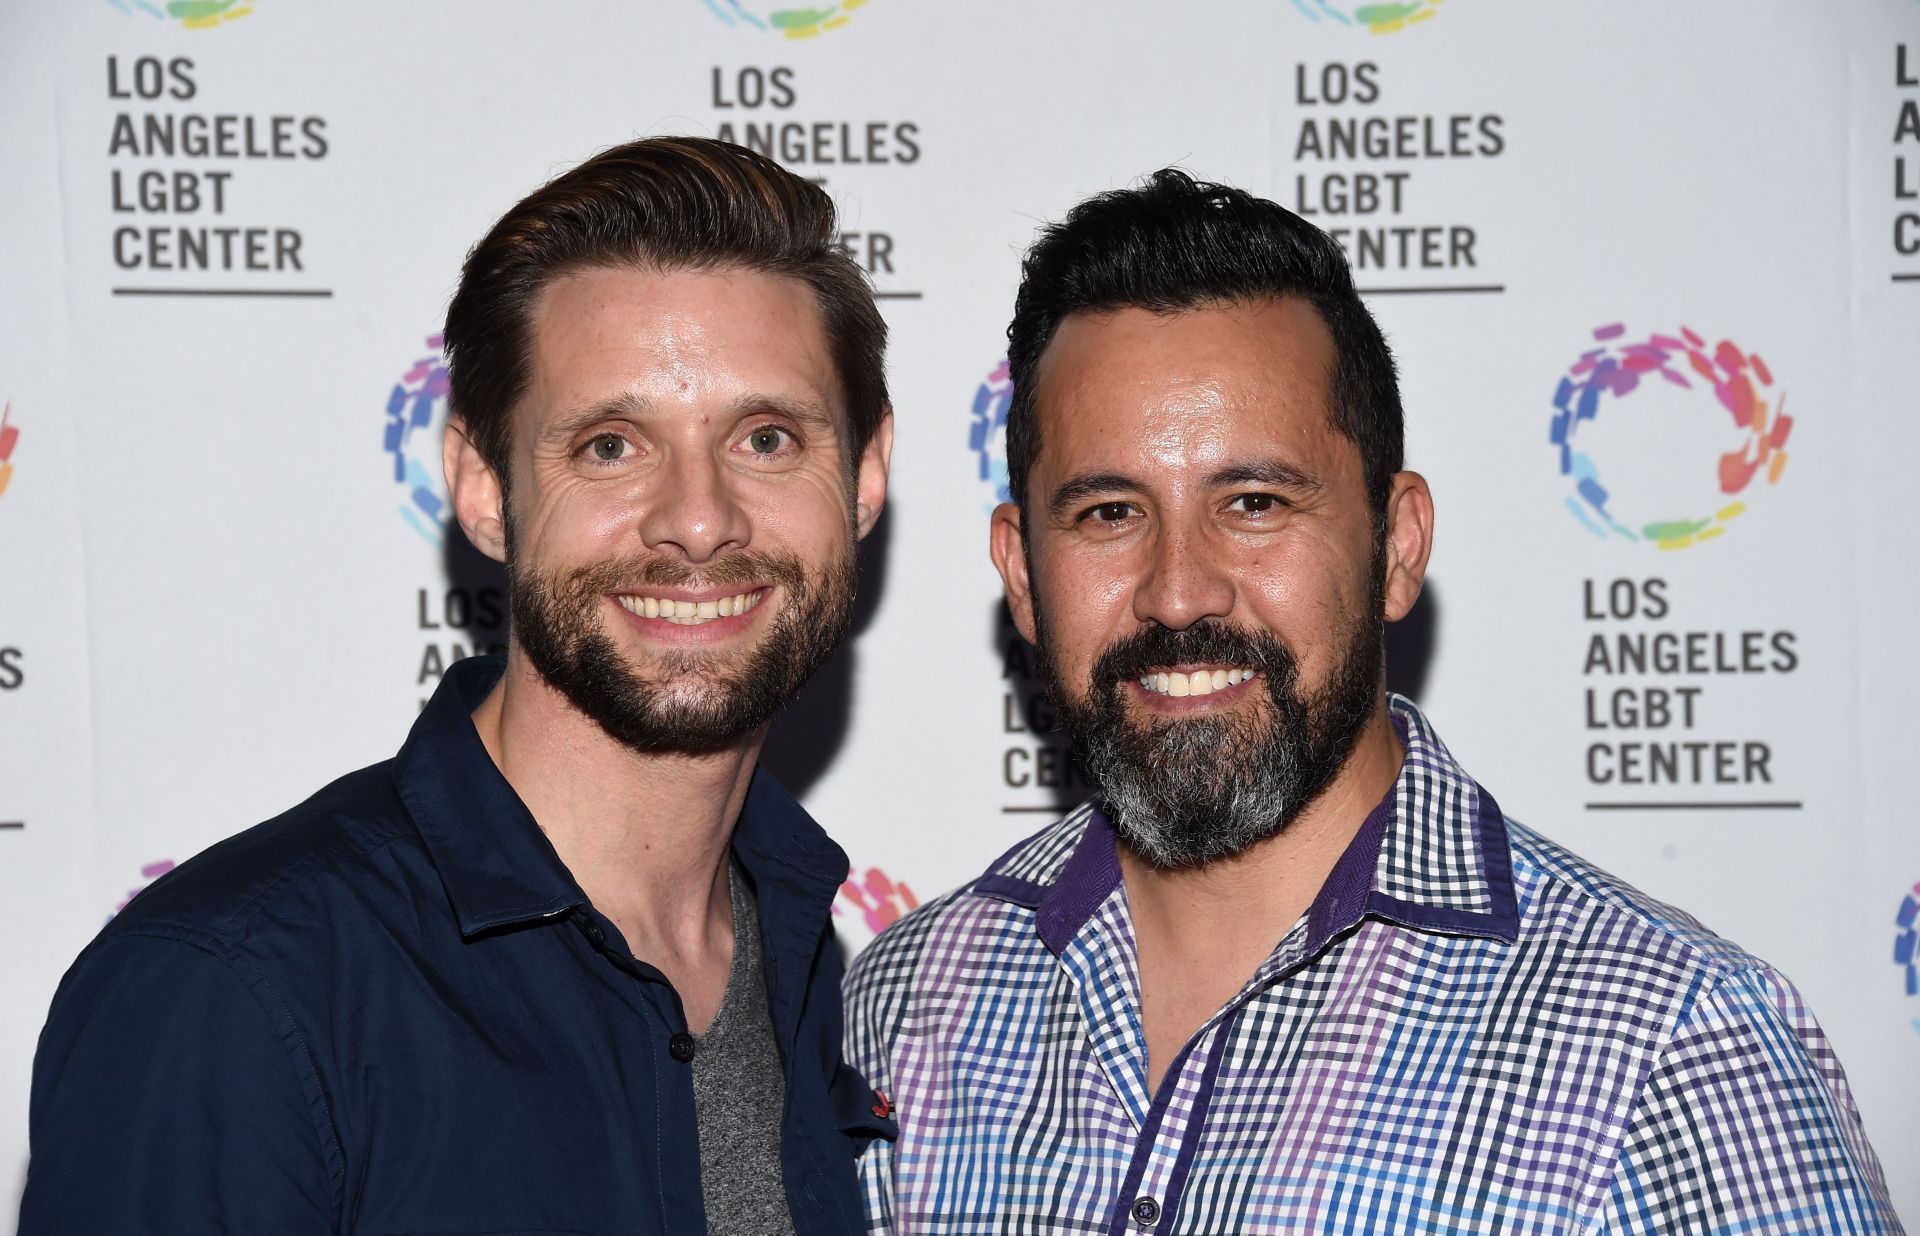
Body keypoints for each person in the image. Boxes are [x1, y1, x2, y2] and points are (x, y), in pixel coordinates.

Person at [842, 170, 1901, 1234]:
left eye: (1253, 504)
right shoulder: (902, 1011)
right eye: (1110, 512)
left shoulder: (1674, 1051)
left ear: (1396, 545)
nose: (1177, 590)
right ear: (1022, 574)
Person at [22, 137, 897, 1235]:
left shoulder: (803, 959)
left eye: (766, 438)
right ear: (483, 488)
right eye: (613, 445)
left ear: (864, 478)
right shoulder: (237, 993)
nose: (700, 517)